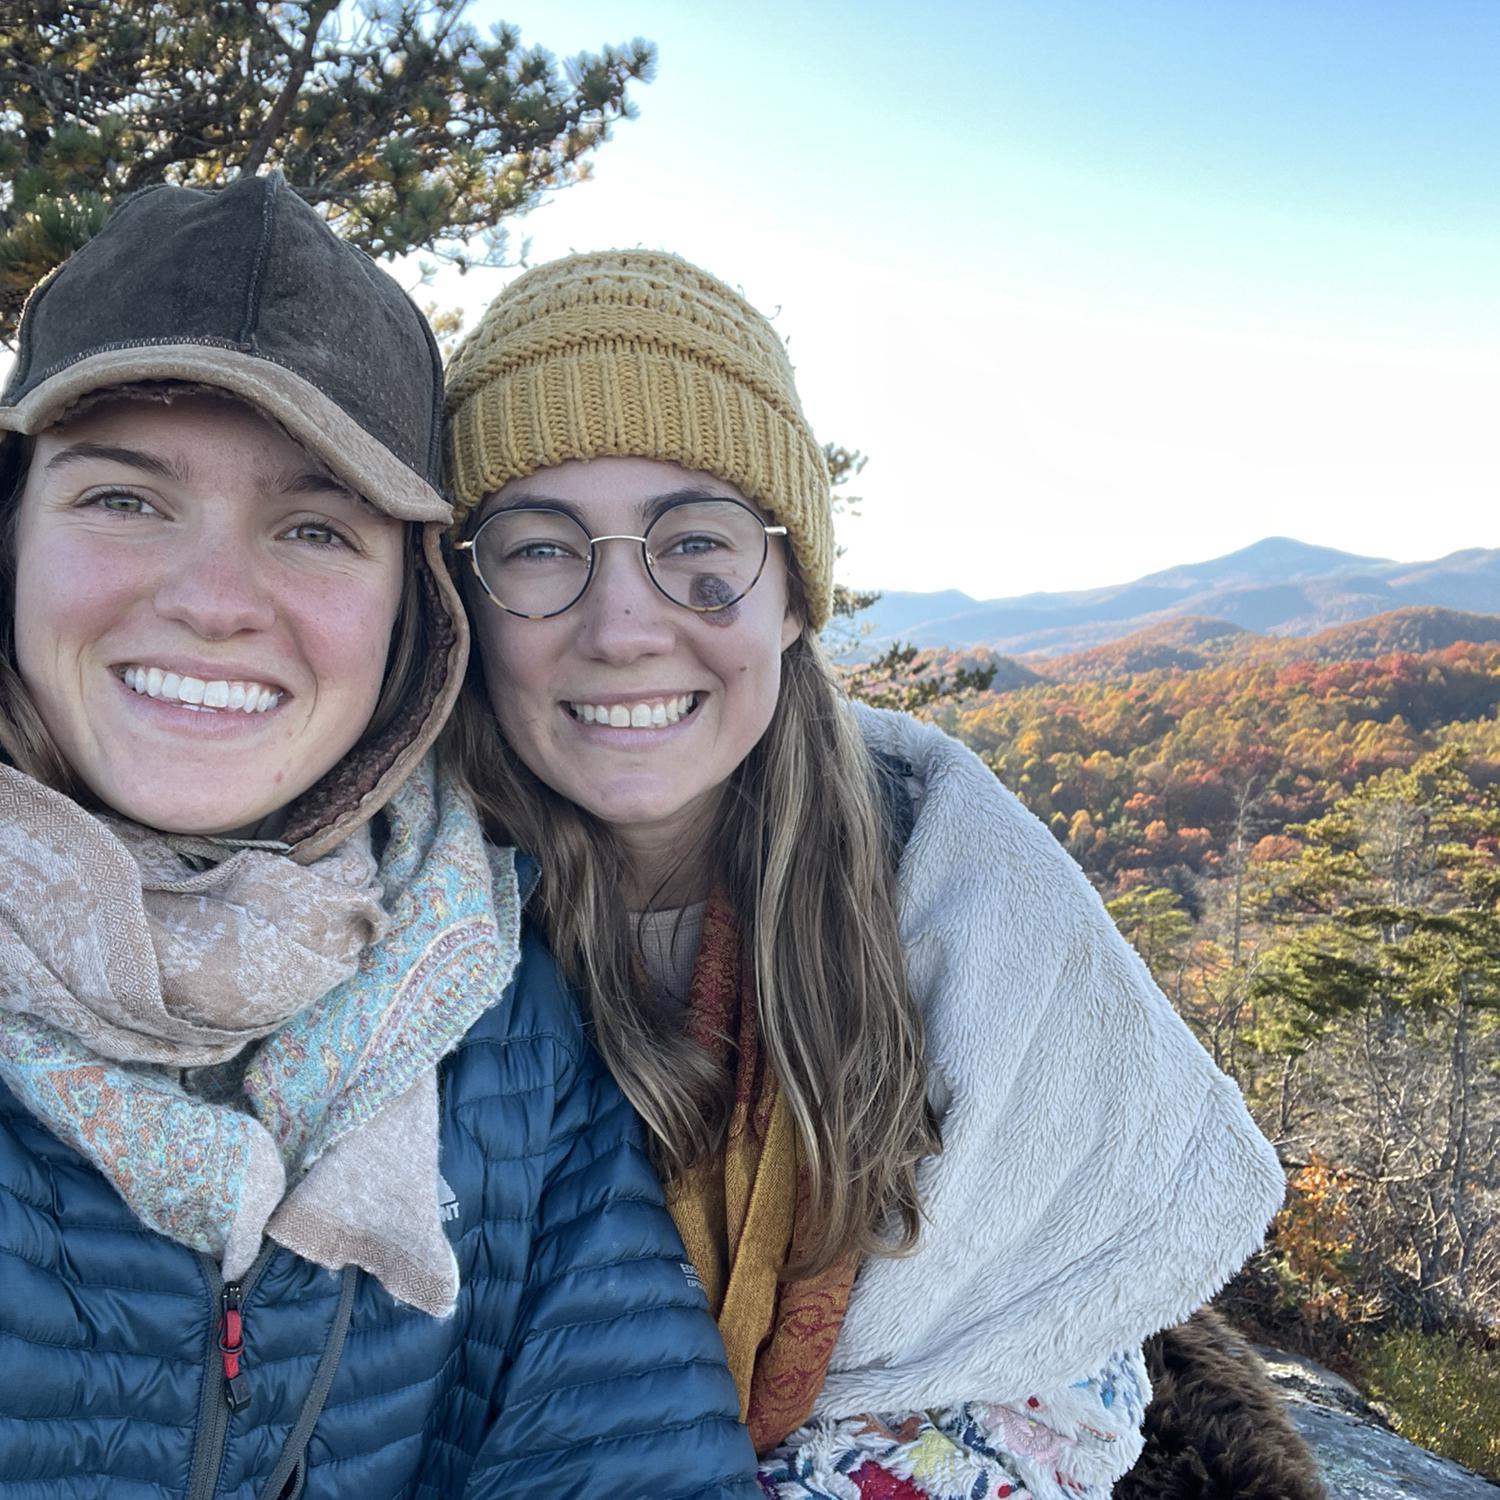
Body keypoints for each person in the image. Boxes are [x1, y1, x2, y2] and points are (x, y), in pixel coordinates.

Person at [440, 250, 1289, 1498]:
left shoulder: (959, 895)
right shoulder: (380, 912)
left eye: (697, 542)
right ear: (463, 590)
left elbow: (1049, 1331)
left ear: (791, 595)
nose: (622, 625)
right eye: (538, 547)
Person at [0, 181, 761, 1497]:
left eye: (315, 527)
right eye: (125, 499)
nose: (214, 600)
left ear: (413, 617)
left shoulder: (498, 1017)